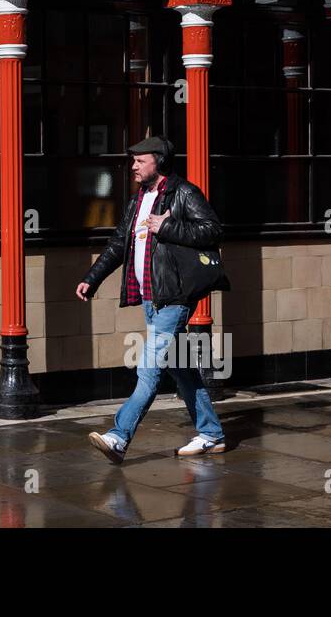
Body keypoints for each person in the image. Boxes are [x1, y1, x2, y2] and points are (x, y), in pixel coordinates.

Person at [74, 136, 226, 463]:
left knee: (148, 368)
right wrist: (92, 277)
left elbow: (213, 230)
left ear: (158, 161)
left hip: (174, 297)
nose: (133, 166)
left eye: (140, 161)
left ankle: (118, 435)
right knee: (181, 367)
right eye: (133, 161)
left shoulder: (184, 193)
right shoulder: (139, 199)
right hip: (150, 297)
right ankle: (211, 434)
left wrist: (168, 226)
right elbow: (119, 244)